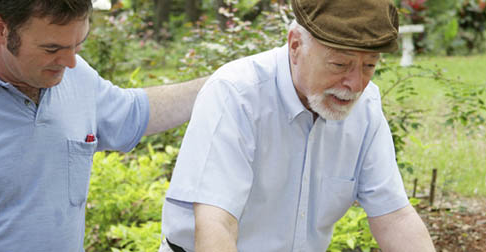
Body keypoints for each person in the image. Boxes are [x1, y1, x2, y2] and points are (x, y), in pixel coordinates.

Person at [0, 0, 206, 251]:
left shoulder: (73, 72)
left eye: (78, 44)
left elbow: (133, 113)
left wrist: (223, 86)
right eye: (51, 49)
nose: (70, 61)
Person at [160, 0, 436, 251]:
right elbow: (215, 225)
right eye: (340, 64)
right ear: (295, 46)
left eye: (369, 66)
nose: (355, 85)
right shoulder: (236, 94)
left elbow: (394, 217)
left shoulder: (366, 106)